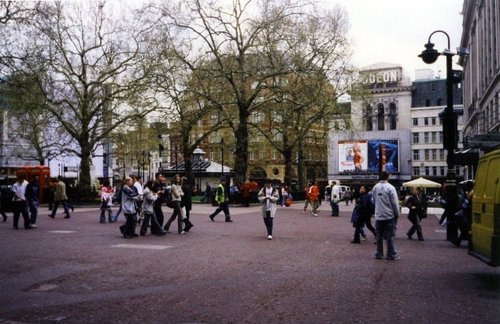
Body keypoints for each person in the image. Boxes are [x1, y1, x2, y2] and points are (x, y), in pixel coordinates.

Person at [372, 171, 400, 260]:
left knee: (379, 235)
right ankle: (390, 254)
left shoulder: (375, 187)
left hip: (379, 215)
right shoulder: (391, 188)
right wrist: (397, 214)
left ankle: (379, 253)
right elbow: (394, 203)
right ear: (388, 177)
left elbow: (373, 200)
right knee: (390, 236)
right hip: (389, 215)